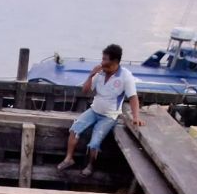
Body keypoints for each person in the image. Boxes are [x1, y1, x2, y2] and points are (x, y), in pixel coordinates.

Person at [58, 44, 144, 177]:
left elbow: (133, 98)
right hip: (94, 110)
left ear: (115, 62)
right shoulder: (100, 73)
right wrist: (91, 75)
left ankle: (90, 165)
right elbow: (85, 90)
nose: (102, 63)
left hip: (109, 116)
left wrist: (136, 117)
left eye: (105, 60)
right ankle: (68, 159)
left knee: (94, 142)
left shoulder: (125, 76)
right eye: (102, 59)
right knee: (74, 129)